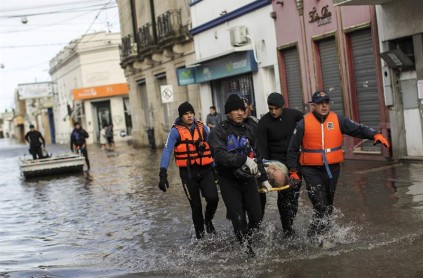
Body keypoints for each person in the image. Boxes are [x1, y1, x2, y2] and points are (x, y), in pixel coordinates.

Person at [287, 90, 390, 242]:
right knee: (320, 205)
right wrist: (293, 171)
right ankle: (315, 239)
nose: (324, 106)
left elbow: (358, 129)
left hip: (332, 169)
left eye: (326, 102)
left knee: (328, 207)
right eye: (320, 103)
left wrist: (375, 134)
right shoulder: (303, 123)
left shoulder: (338, 120)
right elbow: (292, 149)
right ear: (313, 105)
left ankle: (321, 235)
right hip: (310, 170)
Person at [208, 94, 272, 257]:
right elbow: (219, 155)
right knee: (238, 219)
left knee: (257, 217)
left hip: (248, 179)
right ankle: (247, 251)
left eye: (242, 109)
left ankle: (246, 239)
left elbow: (257, 155)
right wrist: (243, 159)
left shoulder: (250, 130)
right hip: (228, 180)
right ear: (228, 112)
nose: (239, 113)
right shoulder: (218, 131)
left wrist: (263, 178)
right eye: (235, 110)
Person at [158, 102, 219, 240]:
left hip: (205, 170)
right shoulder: (175, 131)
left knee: (213, 199)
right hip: (188, 175)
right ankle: (200, 238)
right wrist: (163, 173)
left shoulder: (202, 127)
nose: (189, 115)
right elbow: (167, 151)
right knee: (196, 206)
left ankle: (208, 220)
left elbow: (212, 147)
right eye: (186, 114)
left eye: (191, 113)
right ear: (181, 116)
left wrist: (215, 167)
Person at [257, 92, 304, 238]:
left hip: (294, 160)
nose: (273, 112)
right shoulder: (264, 123)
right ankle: (287, 228)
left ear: (282, 106)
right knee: (283, 194)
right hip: (276, 163)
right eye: (270, 108)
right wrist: (266, 168)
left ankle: (290, 221)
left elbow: (308, 123)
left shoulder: (294, 115)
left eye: (276, 108)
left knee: (294, 194)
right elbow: (262, 150)